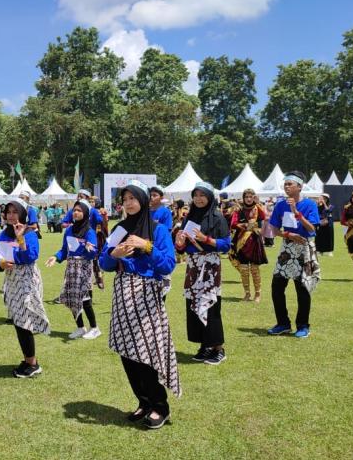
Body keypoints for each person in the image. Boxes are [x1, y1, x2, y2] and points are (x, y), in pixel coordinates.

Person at [99, 180, 179, 429]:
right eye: (124, 200)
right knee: (127, 351)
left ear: (143, 200)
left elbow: (167, 265)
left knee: (145, 352)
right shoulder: (120, 228)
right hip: (123, 292)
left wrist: (147, 247)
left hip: (147, 294)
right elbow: (104, 262)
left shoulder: (158, 230)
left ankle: (160, 406)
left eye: (133, 198)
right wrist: (115, 256)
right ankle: (143, 401)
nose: (128, 204)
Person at [0, 199, 49, 378]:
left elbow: (31, 255)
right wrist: (0, 262)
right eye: (8, 212)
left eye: (15, 212)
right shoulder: (3, 234)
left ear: (22, 214)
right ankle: (29, 359)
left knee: (24, 322)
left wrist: (20, 239)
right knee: (18, 321)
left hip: (27, 281)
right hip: (12, 281)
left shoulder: (30, 232)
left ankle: (32, 363)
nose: (11, 216)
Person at [175, 182, 230, 365]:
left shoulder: (218, 217)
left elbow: (226, 245)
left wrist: (205, 239)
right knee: (193, 304)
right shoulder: (189, 216)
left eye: (202, 195)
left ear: (209, 196)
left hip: (210, 266)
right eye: (195, 195)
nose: (198, 199)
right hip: (193, 266)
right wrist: (180, 242)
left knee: (211, 305)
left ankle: (218, 348)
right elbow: (182, 248)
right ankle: (204, 346)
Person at [266, 171, 321, 338]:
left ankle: (303, 326)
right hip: (287, 248)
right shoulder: (280, 205)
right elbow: (274, 230)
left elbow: (312, 229)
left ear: (299, 187)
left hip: (305, 247)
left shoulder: (310, 205)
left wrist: (296, 212)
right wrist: (288, 235)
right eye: (285, 184)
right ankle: (283, 323)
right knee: (277, 287)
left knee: (302, 288)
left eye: (290, 184)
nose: (287, 186)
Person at [45, 200, 100, 340]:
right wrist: (55, 257)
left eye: (79, 210)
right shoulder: (69, 230)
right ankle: (81, 327)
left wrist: (89, 249)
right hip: (71, 268)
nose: (76, 212)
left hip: (84, 268)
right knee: (71, 298)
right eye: (74, 210)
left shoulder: (89, 231)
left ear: (86, 213)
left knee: (85, 299)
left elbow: (93, 252)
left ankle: (95, 328)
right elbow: (65, 250)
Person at [228, 189, 269, 302]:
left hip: (254, 241)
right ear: (244, 198)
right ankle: (247, 294)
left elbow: (264, 217)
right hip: (242, 241)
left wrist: (258, 204)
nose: (249, 199)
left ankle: (257, 294)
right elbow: (233, 224)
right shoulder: (239, 209)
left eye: (251, 196)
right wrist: (245, 225)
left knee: (255, 269)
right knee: (244, 269)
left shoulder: (257, 208)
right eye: (247, 197)